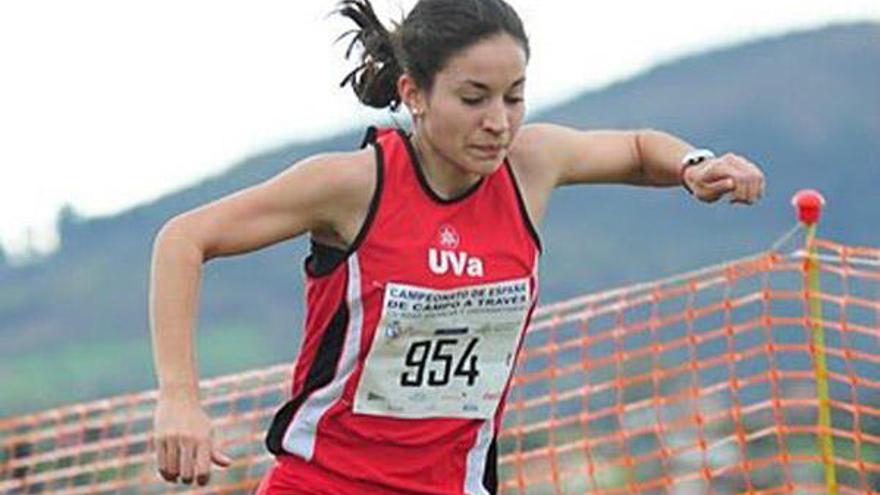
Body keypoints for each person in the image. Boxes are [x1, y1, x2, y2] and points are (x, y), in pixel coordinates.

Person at [149, 0, 766, 493]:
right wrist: (180, 400)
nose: (498, 120)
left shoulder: (530, 165)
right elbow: (184, 239)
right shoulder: (351, 184)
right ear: (414, 93)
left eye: (514, 96)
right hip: (324, 483)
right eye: (474, 99)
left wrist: (693, 165)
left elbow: (635, 148)